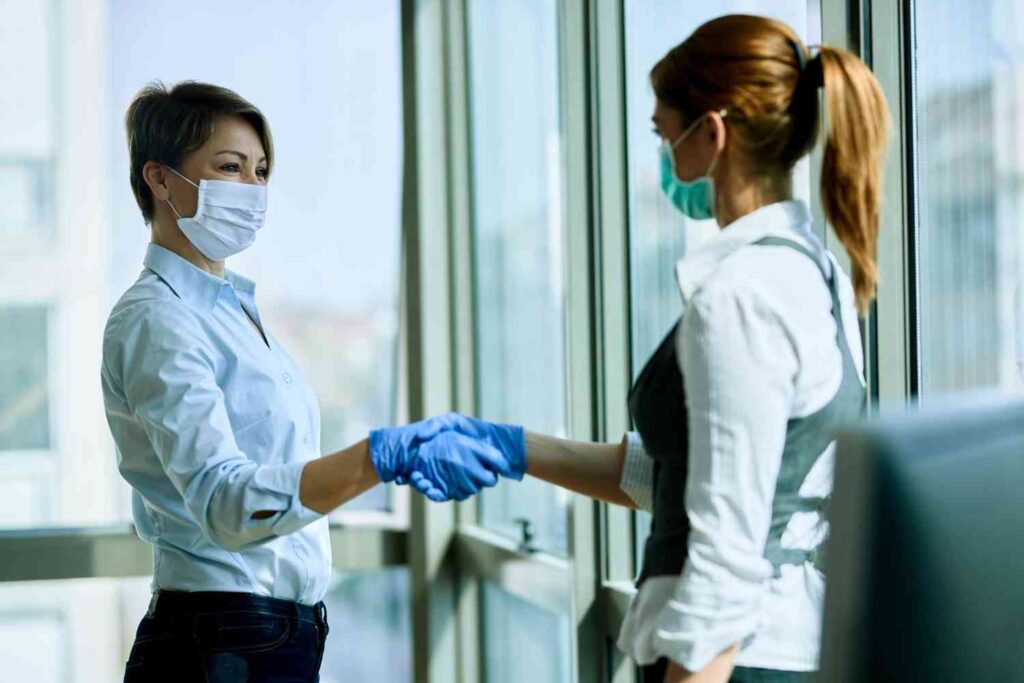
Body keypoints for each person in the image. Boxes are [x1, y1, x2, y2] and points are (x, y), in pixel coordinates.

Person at [418, 14, 890, 683]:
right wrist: (510, 445)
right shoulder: (815, 275)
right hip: (774, 652)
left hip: (727, 662)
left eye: (664, 133)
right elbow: (699, 474)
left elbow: (723, 560)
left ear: (712, 135)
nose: (666, 156)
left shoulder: (741, 295)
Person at [102, 81, 518, 682]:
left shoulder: (231, 312)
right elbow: (226, 504)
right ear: (160, 180)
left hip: (267, 637)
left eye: (260, 171)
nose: (251, 189)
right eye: (229, 167)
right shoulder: (158, 318)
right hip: (220, 641)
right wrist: (378, 459)